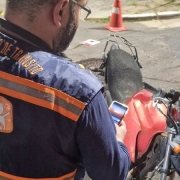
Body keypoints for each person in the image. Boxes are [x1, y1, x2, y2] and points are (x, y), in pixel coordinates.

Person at [0, 0, 130, 179]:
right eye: (80, 9)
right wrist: (119, 140)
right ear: (60, 10)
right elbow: (110, 173)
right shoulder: (79, 90)